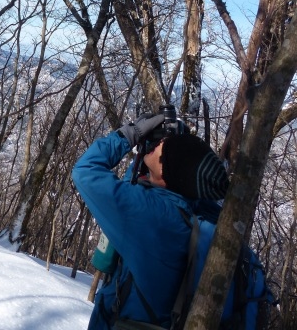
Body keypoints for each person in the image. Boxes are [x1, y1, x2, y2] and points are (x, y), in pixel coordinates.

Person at [72, 112, 229, 330]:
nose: (154, 144)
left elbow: (85, 171)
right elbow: (140, 189)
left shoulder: (152, 216)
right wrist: (149, 158)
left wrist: (129, 134)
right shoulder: (195, 211)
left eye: (160, 147)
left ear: (168, 172)